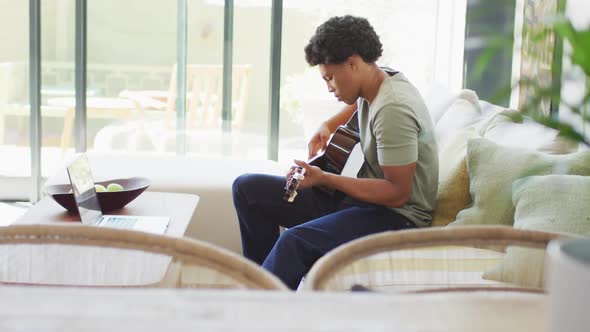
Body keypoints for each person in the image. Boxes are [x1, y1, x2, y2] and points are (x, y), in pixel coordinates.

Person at [232, 15, 438, 290]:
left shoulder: (393, 109)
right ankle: (262, 289)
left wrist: (324, 179)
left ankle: (256, 313)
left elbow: (397, 193)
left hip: (397, 218)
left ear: (353, 63)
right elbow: (359, 103)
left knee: (294, 241)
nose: (329, 88)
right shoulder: (381, 77)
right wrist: (329, 124)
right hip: (363, 203)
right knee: (247, 189)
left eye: (330, 78)